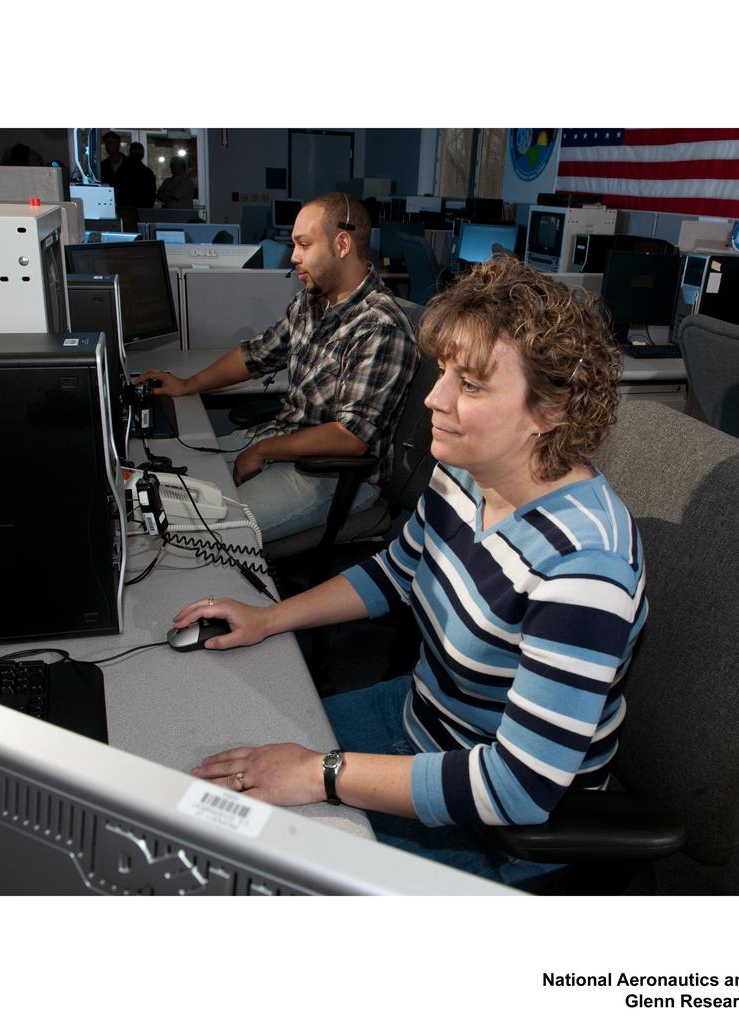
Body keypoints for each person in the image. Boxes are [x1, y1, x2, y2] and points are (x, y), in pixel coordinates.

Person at [174, 255, 648, 888]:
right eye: (445, 371)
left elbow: (518, 789)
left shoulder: (585, 572)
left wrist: (321, 773)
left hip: (495, 824)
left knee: (243, 870)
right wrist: (269, 618)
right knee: (200, 781)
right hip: (420, 718)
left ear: (552, 411)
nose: (434, 398)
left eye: (471, 385)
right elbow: (396, 572)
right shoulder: (462, 472)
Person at [134, 192, 418, 544]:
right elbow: (257, 355)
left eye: (303, 244)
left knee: (203, 532)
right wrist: (187, 384)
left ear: (342, 243)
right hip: (281, 439)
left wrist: (263, 451)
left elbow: (352, 437)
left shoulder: (380, 327)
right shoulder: (311, 302)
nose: (294, 257)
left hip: (335, 475)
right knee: (166, 486)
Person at [122, 142, 158, 209]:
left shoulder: (123, 170)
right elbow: (151, 195)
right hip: (143, 210)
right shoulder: (148, 173)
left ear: (130, 153)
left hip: (126, 209)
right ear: (142, 155)